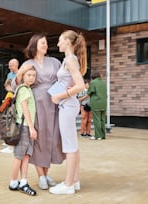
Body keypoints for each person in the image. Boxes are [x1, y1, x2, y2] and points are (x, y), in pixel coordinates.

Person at [13, 33, 64, 190]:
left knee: (53, 138)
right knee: (38, 138)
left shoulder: (55, 62)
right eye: (42, 43)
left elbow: (63, 80)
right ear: (34, 45)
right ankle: (41, 175)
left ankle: (46, 172)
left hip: (53, 103)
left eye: (46, 43)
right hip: (35, 104)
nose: (45, 45)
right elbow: (16, 86)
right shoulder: (27, 63)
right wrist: (21, 73)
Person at [49, 30, 87, 195]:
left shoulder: (70, 60)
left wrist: (59, 96)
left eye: (60, 40)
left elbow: (80, 86)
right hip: (68, 105)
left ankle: (69, 184)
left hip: (67, 105)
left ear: (67, 42)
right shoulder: (70, 60)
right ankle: (75, 181)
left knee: (70, 147)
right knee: (73, 146)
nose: (58, 44)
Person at [9, 66, 37, 196]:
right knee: (19, 156)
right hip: (24, 127)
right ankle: (14, 182)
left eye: (33, 75)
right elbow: (24, 108)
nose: (32, 77)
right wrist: (31, 128)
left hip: (26, 126)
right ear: (23, 76)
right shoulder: (24, 89)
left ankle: (23, 181)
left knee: (26, 156)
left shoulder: (27, 89)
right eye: (29, 75)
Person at [0, 58, 19, 154]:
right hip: (11, 98)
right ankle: (10, 140)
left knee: (14, 120)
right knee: (9, 119)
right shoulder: (9, 74)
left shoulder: (20, 74)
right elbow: (6, 85)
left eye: (11, 65)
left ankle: (13, 143)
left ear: (16, 65)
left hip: (18, 99)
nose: (9, 67)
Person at [87, 70, 107, 140]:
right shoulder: (103, 82)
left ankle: (98, 136)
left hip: (96, 103)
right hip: (104, 103)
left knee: (97, 120)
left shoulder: (93, 82)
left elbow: (89, 92)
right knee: (102, 120)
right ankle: (103, 135)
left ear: (92, 76)